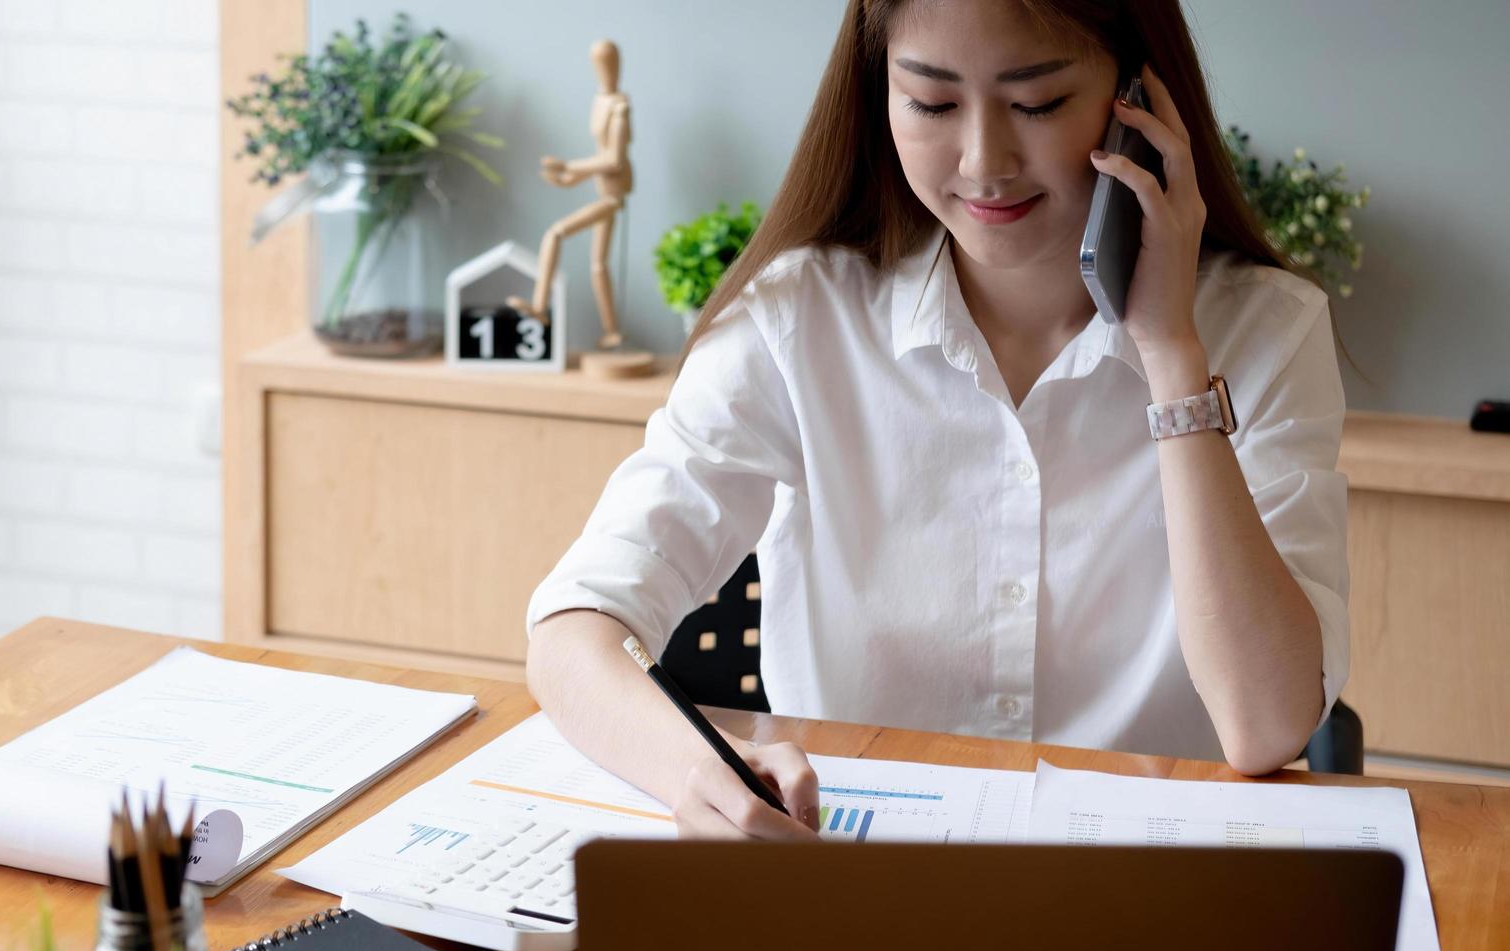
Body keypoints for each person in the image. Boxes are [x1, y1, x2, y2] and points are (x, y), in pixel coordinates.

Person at [525, 0, 1349, 840]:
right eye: (931, 104)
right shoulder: (795, 321)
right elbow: (575, 629)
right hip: (858, 894)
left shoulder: (1266, 333)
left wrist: (1170, 351)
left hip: (1138, 896)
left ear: (1139, 104)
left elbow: (1264, 726)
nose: (983, 161)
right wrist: (698, 771)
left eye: (1036, 104)